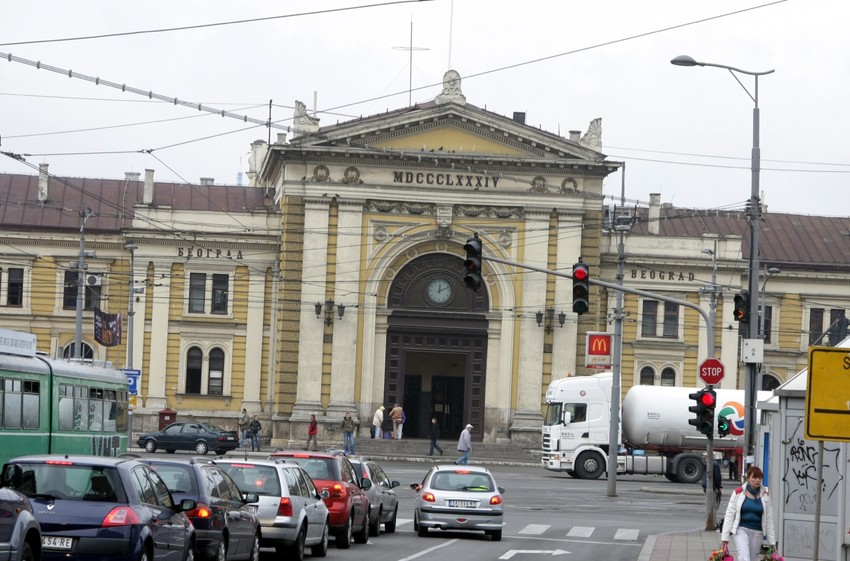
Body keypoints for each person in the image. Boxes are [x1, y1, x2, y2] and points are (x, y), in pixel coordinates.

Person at [721, 465, 776, 561]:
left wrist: (772, 542)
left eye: (759, 478)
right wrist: (725, 537)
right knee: (744, 558)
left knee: (753, 559)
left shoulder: (765, 495)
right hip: (741, 530)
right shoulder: (738, 493)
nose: (757, 480)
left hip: (757, 532)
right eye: (754, 477)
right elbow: (729, 515)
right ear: (748, 478)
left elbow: (769, 519)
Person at [702, 455, 723, 525]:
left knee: (709, 506)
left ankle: (710, 523)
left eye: (705, 457)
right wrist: (719, 486)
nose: (704, 458)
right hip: (713, 487)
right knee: (713, 506)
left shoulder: (707, 464)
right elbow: (718, 477)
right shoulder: (715, 464)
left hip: (707, 487)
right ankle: (713, 523)